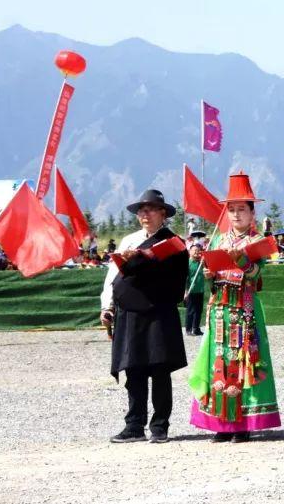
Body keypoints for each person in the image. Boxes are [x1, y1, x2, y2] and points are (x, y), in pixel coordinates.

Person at [187, 173, 281, 442]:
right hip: (221, 310)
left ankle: (243, 424)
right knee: (218, 361)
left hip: (246, 311)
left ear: (253, 213)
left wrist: (242, 261)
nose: (237, 214)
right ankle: (219, 422)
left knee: (244, 361)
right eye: (232, 209)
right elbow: (213, 277)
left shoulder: (257, 241)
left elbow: (255, 275)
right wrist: (208, 274)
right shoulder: (217, 240)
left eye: (242, 209)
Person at [101, 189, 189, 444]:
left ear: (163, 213)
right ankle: (134, 425)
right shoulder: (129, 241)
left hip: (158, 313)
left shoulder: (174, 244)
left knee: (160, 370)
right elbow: (112, 277)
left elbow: (175, 281)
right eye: (141, 210)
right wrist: (107, 306)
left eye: (150, 209)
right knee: (134, 370)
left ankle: (160, 426)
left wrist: (148, 263)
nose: (144, 214)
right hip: (129, 314)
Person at [183, 243, 206, 336]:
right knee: (191, 311)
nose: (197, 252)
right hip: (190, 291)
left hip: (200, 290)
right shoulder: (187, 263)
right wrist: (185, 291)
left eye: (198, 250)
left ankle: (196, 328)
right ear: (190, 251)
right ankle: (188, 329)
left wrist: (204, 263)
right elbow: (185, 279)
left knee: (198, 310)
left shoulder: (202, 263)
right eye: (194, 250)